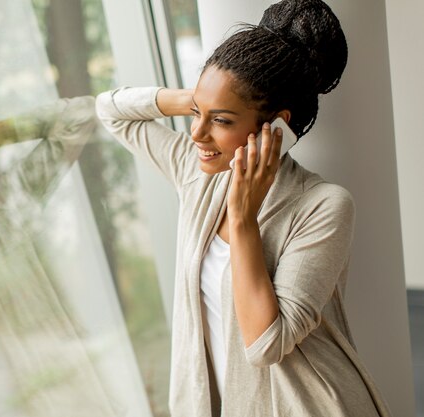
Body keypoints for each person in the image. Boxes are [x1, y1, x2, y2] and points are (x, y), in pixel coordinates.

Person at [95, 0, 393, 416]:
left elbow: (265, 343)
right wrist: (203, 99)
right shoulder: (197, 172)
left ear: (274, 126)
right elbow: (110, 111)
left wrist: (242, 217)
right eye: (196, 114)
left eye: (221, 121)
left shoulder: (323, 206)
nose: (196, 133)